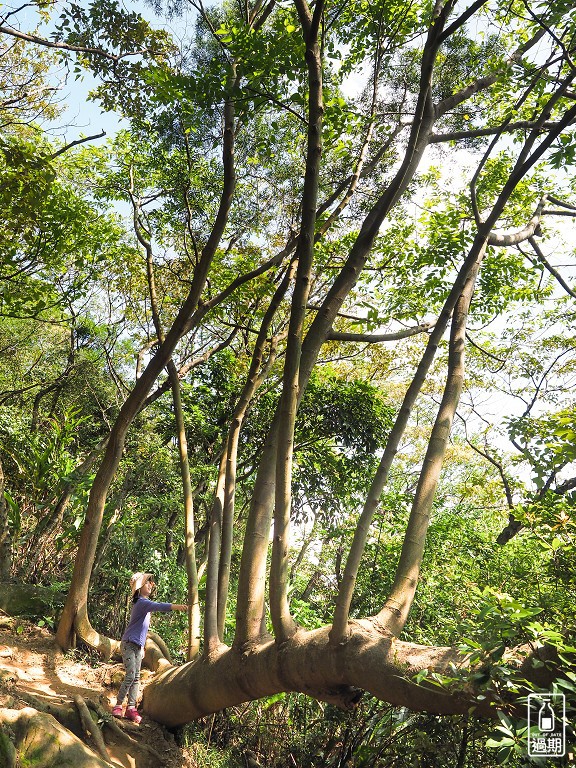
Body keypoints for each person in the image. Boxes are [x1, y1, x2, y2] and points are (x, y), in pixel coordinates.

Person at [112, 572, 188, 724]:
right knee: (131, 675)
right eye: (147, 583)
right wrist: (178, 607)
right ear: (139, 588)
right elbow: (159, 606)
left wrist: (142, 647)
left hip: (137, 646)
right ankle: (118, 705)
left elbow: (143, 629)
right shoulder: (141, 603)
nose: (150, 585)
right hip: (128, 644)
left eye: (150, 583)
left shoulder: (144, 604)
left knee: (136, 678)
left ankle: (131, 708)